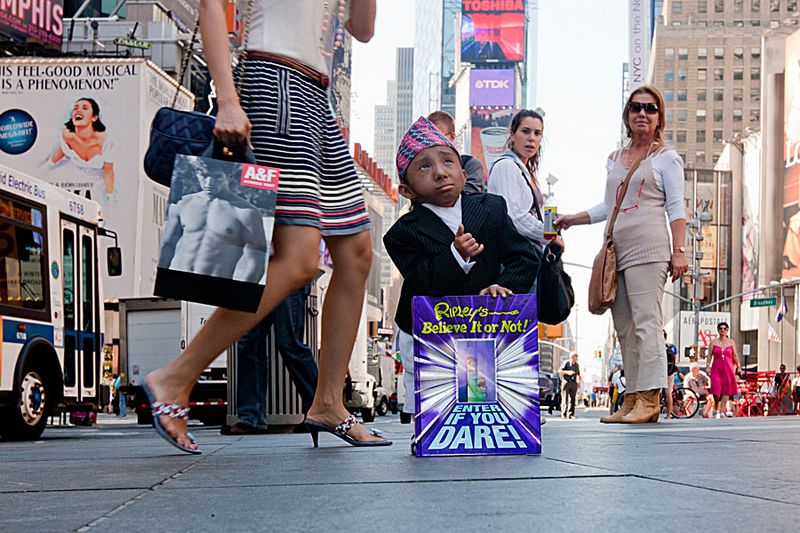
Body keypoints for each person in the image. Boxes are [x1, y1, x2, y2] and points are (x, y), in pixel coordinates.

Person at [143, 0, 389, 453]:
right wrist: (229, 100)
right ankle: (175, 378)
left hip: (318, 99)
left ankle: (329, 402)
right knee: (297, 259)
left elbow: (363, 28)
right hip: (275, 83)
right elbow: (213, 6)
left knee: (356, 251)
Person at [384, 116, 540, 424]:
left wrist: (501, 286)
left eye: (447, 162)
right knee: (440, 411)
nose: (440, 172)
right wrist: (455, 255)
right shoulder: (402, 234)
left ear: (462, 168)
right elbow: (421, 280)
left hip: (489, 333)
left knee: (485, 403)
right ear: (407, 190)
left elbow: (524, 257)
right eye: (425, 167)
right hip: (434, 340)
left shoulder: (491, 207)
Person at [556, 85, 688, 424]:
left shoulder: (666, 158)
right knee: (625, 327)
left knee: (647, 323)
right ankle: (631, 399)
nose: (642, 113)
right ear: (626, 116)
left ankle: (649, 398)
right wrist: (574, 218)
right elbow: (608, 205)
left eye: (650, 108)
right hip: (617, 251)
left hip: (651, 248)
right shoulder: (615, 159)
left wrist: (679, 250)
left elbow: (676, 208)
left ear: (659, 118)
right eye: (635, 108)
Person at [224, 284, 319, 435]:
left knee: (289, 342)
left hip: (289, 272)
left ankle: (318, 410)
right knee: (248, 343)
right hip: (257, 276)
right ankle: (251, 416)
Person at [158, 168, 268, 283]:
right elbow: (167, 246)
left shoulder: (245, 212)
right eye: (204, 176)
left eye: (217, 177)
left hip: (214, 289)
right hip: (177, 282)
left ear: (228, 177)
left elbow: (257, 262)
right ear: (197, 174)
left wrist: (239, 294)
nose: (209, 182)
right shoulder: (183, 203)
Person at [487, 109, 564, 254]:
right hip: (512, 257)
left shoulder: (527, 173)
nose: (531, 138)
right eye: (526, 131)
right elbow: (514, 217)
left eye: (537, 133)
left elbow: (536, 216)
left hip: (530, 254)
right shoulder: (506, 166)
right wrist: (550, 237)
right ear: (512, 134)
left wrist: (555, 226)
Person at [48, 97, 115, 200]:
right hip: (72, 183)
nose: (78, 110)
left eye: (85, 108)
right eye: (75, 108)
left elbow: (108, 171)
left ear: (94, 117)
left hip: (98, 187)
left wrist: (109, 195)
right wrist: (46, 168)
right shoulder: (67, 135)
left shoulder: (104, 140)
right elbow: (61, 152)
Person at [427, 110, 486, 193]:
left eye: (438, 137)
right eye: (428, 138)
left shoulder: (470, 165)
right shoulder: (423, 167)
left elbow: (470, 200)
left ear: (451, 137)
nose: (432, 142)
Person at [707, 322, 741, 418]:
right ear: (718, 330)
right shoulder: (713, 342)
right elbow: (709, 355)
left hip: (728, 368)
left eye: (725, 328)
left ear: (727, 330)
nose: (723, 330)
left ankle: (722, 411)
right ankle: (716, 407)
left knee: (726, 390)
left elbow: (735, 354)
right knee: (716, 390)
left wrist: (738, 366)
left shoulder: (731, 342)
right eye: (721, 328)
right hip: (716, 368)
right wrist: (708, 366)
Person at [558, 352, 580, 419]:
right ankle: (564, 414)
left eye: (577, 356)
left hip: (573, 383)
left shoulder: (576, 365)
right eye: (575, 356)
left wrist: (578, 383)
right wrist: (568, 372)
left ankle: (570, 414)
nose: (576, 357)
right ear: (571, 357)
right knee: (565, 398)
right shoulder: (566, 363)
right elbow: (559, 371)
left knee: (573, 399)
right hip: (566, 382)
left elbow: (578, 374)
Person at [664, 330, 680, 418]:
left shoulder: (656, 346)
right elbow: (674, 360)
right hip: (670, 372)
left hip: (659, 372)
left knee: (656, 393)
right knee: (668, 393)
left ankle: (654, 412)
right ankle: (668, 415)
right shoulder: (672, 346)